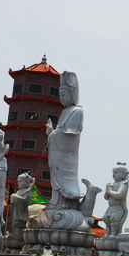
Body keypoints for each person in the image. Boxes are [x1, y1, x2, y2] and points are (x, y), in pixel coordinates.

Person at [46, 71, 83, 209]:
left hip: (66, 155)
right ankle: (56, 201)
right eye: (59, 95)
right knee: (55, 182)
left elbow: (69, 134)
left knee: (65, 182)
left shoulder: (77, 111)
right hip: (58, 154)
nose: (61, 98)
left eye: (63, 95)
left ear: (71, 93)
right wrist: (52, 132)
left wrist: (53, 135)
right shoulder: (65, 111)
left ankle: (65, 203)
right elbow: (60, 132)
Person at [103, 163, 129, 236]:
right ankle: (108, 233)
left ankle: (114, 234)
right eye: (113, 173)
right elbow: (106, 197)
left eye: (116, 173)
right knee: (105, 219)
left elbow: (119, 195)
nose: (113, 175)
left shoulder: (124, 184)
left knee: (114, 220)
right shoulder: (112, 184)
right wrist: (107, 191)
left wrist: (110, 191)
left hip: (118, 208)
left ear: (123, 174)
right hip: (110, 208)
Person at [9, 172, 35, 237]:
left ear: (26, 182)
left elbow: (26, 203)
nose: (18, 183)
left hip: (21, 214)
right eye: (18, 181)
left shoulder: (27, 191)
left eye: (20, 181)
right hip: (16, 212)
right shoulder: (18, 191)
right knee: (14, 228)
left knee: (19, 232)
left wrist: (15, 197)